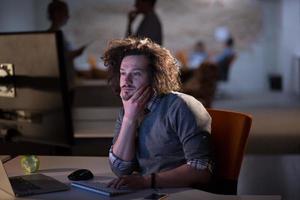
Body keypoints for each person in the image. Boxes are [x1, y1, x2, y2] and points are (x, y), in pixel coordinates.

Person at [102, 37, 214, 190]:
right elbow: (120, 169)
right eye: (123, 73)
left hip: (179, 193)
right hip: (148, 192)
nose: (126, 81)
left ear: (155, 77)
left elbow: (201, 171)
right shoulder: (128, 110)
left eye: (136, 74)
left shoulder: (181, 106)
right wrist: (129, 118)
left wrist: (145, 181)